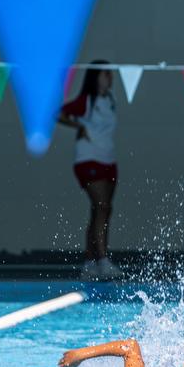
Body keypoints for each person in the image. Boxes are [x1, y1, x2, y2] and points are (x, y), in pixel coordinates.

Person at [58, 60, 123, 282]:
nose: (110, 78)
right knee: (101, 206)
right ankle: (103, 260)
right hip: (88, 160)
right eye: (105, 74)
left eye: (110, 74)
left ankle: (89, 262)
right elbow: (59, 113)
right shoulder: (87, 100)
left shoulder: (111, 100)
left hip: (108, 159)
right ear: (95, 77)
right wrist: (79, 126)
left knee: (101, 211)